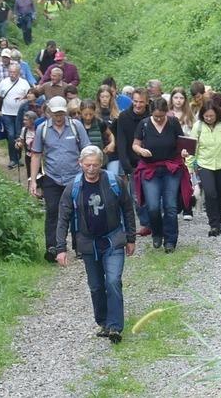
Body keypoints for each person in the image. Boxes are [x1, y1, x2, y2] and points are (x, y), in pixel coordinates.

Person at [55, 145, 137, 344]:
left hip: (113, 239)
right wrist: (60, 248)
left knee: (113, 281)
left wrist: (131, 238)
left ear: (101, 164)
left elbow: (127, 209)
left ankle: (116, 327)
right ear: (80, 164)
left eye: (95, 164)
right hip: (88, 243)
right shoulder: (73, 188)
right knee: (96, 286)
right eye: (87, 165)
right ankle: (104, 322)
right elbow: (63, 218)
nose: (91, 169)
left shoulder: (114, 182)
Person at [30, 96, 91, 263]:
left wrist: (89, 173)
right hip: (52, 177)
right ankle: (53, 247)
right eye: (55, 113)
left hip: (75, 177)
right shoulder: (42, 129)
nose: (58, 117)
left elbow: (86, 150)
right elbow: (36, 155)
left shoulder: (75, 126)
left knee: (78, 211)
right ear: (49, 112)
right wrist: (33, 180)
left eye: (61, 113)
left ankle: (80, 245)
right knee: (53, 211)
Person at [132, 99, 192, 253]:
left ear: (166, 112)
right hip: (150, 168)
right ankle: (157, 233)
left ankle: (170, 240)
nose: (159, 119)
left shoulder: (173, 123)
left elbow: (182, 143)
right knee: (152, 206)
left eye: (161, 116)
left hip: (171, 168)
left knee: (170, 206)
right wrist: (141, 151)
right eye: (156, 116)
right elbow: (135, 144)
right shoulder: (144, 124)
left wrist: (184, 151)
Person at [187, 101, 221, 236]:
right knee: (210, 193)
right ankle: (213, 224)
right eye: (206, 116)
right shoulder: (198, 126)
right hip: (205, 164)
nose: (209, 118)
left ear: (217, 115)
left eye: (211, 116)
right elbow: (192, 147)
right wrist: (189, 166)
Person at [116, 87, 151, 236]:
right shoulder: (124, 117)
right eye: (135, 101)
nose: (137, 105)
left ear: (147, 102)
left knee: (153, 194)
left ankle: (155, 220)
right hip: (133, 161)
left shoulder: (152, 115)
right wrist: (126, 165)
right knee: (137, 196)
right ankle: (145, 223)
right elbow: (121, 142)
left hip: (151, 160)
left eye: (141, 102)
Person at [168, 86, 197, 221]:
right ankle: (174, 206)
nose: (178, 101)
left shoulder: (189, 116)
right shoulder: (167, 114)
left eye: (181, 98)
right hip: (171, 151)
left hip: (186, 152)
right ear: (171, 99)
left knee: (186, 181)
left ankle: (187, 207)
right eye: (176, 97)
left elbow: (193, 134)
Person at [0, 64, 31, 169]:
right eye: (10, 72)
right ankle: (12, 159)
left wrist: (23, 98)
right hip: (6, 113)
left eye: (14, 72)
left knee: (18, 136)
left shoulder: (24, 83)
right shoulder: (4, 82)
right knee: (10, 135)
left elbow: (29, 96)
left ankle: (18, 157)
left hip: (20, 115)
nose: (12, 74)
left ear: (18, 73)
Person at [80, 99, 114, 164]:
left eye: (91, 114)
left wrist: (112, 143)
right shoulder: (76, 124)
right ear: (81, 112)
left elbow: (110, 134)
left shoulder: (100, 123)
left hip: (98, 160)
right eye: (85, 114)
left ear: (94, 112)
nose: (88, 117)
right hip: (82, 161)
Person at [95, 84, 120, 175]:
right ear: (98, 98)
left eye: (107, 96)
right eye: (102, 96)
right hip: (99, 151)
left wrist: (113, 144)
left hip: (113, 152)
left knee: (112, 177)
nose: (105, 99)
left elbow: (119, 134)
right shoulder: (94, 115)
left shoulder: (117, 115)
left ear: (111, 97)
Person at [15, 111, 38, 180]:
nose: (24, 122)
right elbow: (22, 142)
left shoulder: (38, 129)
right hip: (28, 156)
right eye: (24, 120)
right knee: (30, 175)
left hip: (39, 157)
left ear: (32, 120)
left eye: (26, 120)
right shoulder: (24, 130)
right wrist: (18, 144)